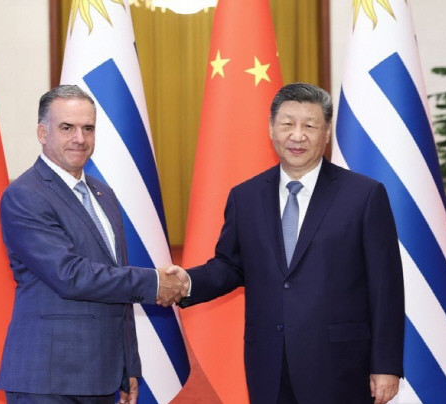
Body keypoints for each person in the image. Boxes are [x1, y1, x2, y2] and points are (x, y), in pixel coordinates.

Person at [173, 83, 404, 404]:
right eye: (287, 124)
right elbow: (230, 266)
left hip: (340, 364)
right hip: (269, 361)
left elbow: (385, 286)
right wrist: (186, 282)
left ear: (326, 133)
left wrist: (386, 365)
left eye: (309, 126)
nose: (297, 135)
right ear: (271, 129)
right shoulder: (246, 196)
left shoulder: (364, 195)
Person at [0, 85, 188, 404]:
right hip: (48, 379)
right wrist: (155, 283)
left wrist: (128, 365)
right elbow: (70, 275)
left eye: (88, 128)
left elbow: (117, 283)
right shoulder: (25, 195)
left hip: (102, 375)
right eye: (66, 128)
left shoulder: (103, 194)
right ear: (42, 133)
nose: (80, 138)